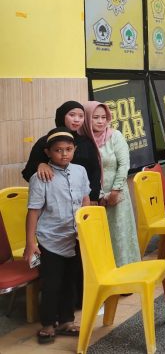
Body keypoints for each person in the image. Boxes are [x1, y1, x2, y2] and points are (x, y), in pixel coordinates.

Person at [24, 128, 91, 344]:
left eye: (68, 149)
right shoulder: (40, 177)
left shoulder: (80, 171)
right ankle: (47, 324)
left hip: (74, 238)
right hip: (50, 240)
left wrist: (87, 228)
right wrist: (30, 242)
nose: (64, 154)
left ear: (75, 150)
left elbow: (85, 200)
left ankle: (66, 321)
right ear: (48, 152)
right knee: (51, 283)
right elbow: (33, 211)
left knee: (70, 281)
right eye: (58, 150)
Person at [81, 101, 140, 267]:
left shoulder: (115, 136)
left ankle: (126, 274)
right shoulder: (83, 140)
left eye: (103, 117)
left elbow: (124, 165)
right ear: (87, 119)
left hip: (117, 193)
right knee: (99, 235)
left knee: (119, 232)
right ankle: (105, 276)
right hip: (92, 197)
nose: (100, 121)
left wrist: (115, 191)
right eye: (95, 117)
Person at [22, 101, 101, 203]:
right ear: (62, 116)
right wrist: (40, 165)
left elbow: (95, 171)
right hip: (54, 203)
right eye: (72, 115)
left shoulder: (86, 142)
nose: (77, 119)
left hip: (83, 201)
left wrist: (94, 198)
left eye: (81, 116)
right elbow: (27, 173)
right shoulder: (45, 142)